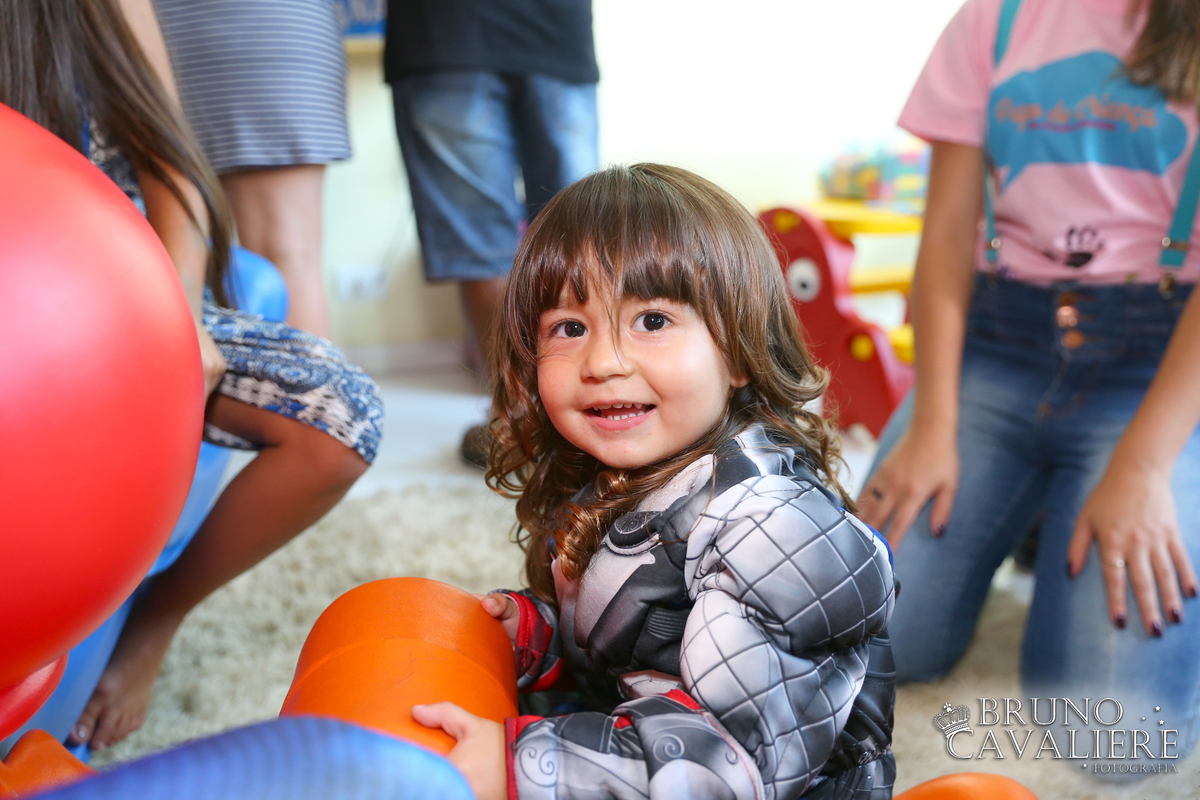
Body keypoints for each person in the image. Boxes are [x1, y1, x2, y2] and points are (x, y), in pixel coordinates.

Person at [408, 164, 898, 800]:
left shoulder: (776, 530)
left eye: (654, 321)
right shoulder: (623, 473)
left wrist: (524, 766)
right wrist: (538, 634)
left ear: (742, 350)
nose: (604, 362)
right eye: (570, 328)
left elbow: (733, 761)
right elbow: (642, 641)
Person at [0, 0, 383, 750]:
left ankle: (154, 623)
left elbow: (171, 168)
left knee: (344, 415)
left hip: (105, 299)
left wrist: (174, 321)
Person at [856, 0, 1200, 770]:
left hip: (1157, 366)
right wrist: (933, 426)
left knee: (1119, 736)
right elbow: (945, 234)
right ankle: (1036, 500)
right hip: (995, 347)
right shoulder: (994, 21)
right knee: (859, 634)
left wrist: (1143, 469)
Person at [384, 0, 600, 466]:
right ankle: (591, 410)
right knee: (581, 234)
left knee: (480, 245)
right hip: (555, 29)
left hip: (444, 31)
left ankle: (515, 419)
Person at [154, 0, 351, 337]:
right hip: (158, 38)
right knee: (285, 255)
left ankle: (295, 388)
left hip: (167, 34)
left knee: (281, 257)